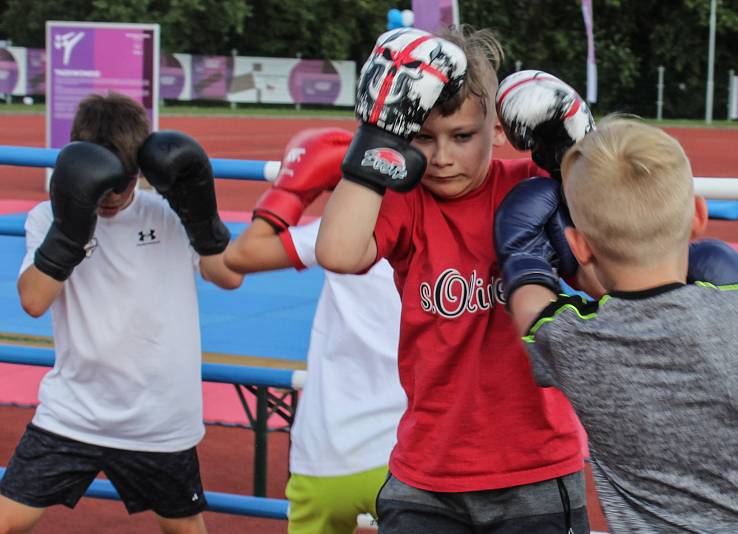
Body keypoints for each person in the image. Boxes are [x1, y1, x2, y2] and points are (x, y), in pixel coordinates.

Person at [317, 27, 592, 532]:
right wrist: (377, 139)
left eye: (462, 137)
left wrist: (579, 162)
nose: (442, 157)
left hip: (535, 466)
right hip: (427, 471)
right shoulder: (406, 200)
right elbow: (337, 253)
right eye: (423, 136)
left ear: (497, 128)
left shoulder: (532, 188)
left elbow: (609, 276)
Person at [517, 116, 738, 532]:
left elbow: (529, 305)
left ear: (579, 246)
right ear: (699, 216)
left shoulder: (575, 340)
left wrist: (521, 252)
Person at [0, 92, 242, 534]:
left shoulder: (167, 213)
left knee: (185, 528)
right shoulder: (47, 217)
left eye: (123, 184)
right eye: (101, 183)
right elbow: (33, 301)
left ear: (139, 173)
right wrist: (70, 231)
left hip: (159, 419)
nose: (111, 197)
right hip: (74, 413)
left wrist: (202, 218)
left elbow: (228, 276)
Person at [223, 127, 406, 534]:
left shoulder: (336, 237)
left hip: (329, 454)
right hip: (414, 455)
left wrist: (291, 193)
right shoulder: (435, 228)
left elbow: (240, 255)